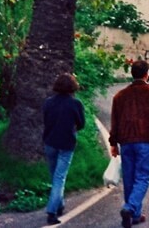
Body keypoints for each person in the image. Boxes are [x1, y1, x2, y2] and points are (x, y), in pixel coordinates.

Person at [109, 60, 149, 228]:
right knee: (142, 177)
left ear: (132, 74)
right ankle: (130, 207)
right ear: (146, 74)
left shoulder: (119, 96)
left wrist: (113, 143)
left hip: (126, 142)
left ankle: (134, 215)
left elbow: (115, 121)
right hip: (145, 141)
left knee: (129, 177)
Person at [42, 73, 85, 226]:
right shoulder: (76, 104)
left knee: (54, 176)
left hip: (50, 142)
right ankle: (52, 211)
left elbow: (45, 120)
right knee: (60, 178)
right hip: (66, 143)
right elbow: (81, 124)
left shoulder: (48, 102)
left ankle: (59, 205)